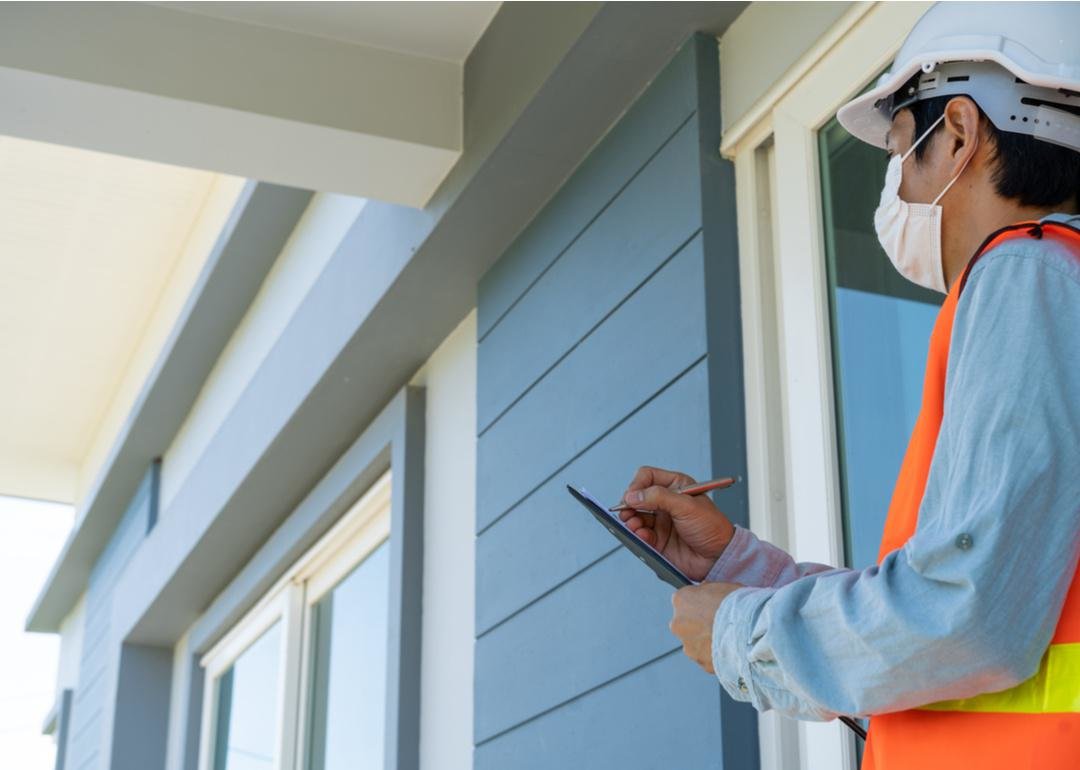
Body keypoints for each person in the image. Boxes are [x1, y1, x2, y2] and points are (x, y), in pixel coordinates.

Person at [616, 4, 1080, 768]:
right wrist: (737, 567)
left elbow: (966, 617)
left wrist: (743, 633)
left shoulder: (1024, 275)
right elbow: (963, 603)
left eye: (901, 149)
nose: (894, 185)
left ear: (959, 135)